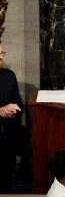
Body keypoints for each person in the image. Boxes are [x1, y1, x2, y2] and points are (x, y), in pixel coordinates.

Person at [0, 40, 23, 192]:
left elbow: (18, 103)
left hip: (7, 137)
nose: (1, 58)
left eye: (2, 53)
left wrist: (13, 109)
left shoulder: (9, 76)